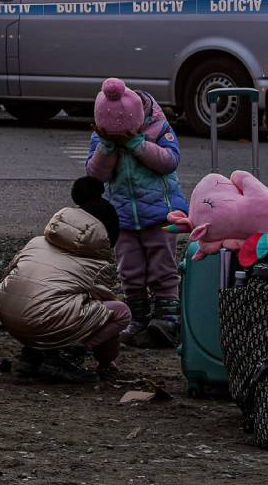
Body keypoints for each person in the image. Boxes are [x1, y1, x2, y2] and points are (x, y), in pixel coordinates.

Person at [0, 177, 129, 383]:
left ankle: (32, 353)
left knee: (51, 300)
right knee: (120, 312)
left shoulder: (36, 242)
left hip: (9, 314)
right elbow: (100, 313)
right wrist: (106, 359)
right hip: (42, 323)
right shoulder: (96, 263)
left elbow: (8, 275)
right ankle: (65, 356)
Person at [86, 77, 187, 347]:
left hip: (161, 213)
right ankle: (137, 317)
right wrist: (108, 147)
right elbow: (96, 174)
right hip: (123, 217)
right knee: (129, 270)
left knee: (162, 266)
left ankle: (168, 317)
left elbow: (169, 162)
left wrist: (137, 144)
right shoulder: (103, 135)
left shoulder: (158, 126)